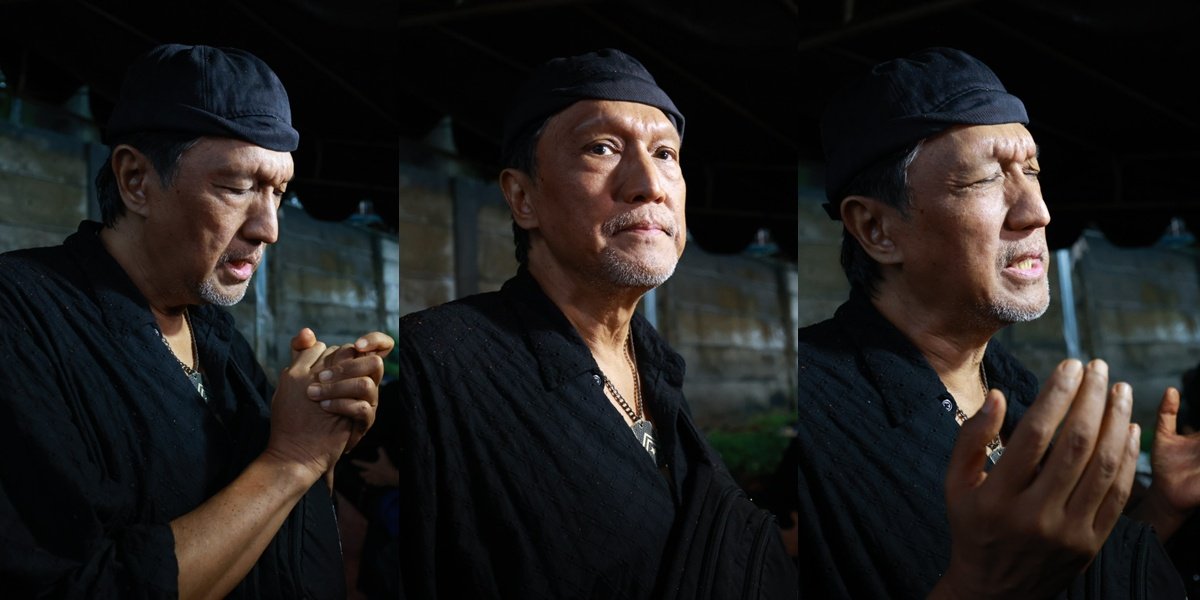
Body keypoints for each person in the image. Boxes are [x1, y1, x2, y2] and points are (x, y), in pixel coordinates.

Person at [796, 46, 1195, 598]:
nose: (1036, 211)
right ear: (876, 229)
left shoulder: (1015, 389)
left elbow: (1062, 573)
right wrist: (982, 586)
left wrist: (1160, 508)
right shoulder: (810, 410)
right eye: (984, 180)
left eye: (1031, 171)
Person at [398, 48, 798, 598]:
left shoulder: (657, 372)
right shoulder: (441, 358)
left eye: (665, 153)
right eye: (601, 148)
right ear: (522, 197)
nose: (649, 184)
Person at [0, 44, 393, 598]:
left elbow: (283, 531)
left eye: (279, 192)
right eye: (237, 188)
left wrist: (324, 425)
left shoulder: (214, 333)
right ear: (137, 180)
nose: (269, 229)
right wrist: (291, 459)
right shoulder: (22, 320)